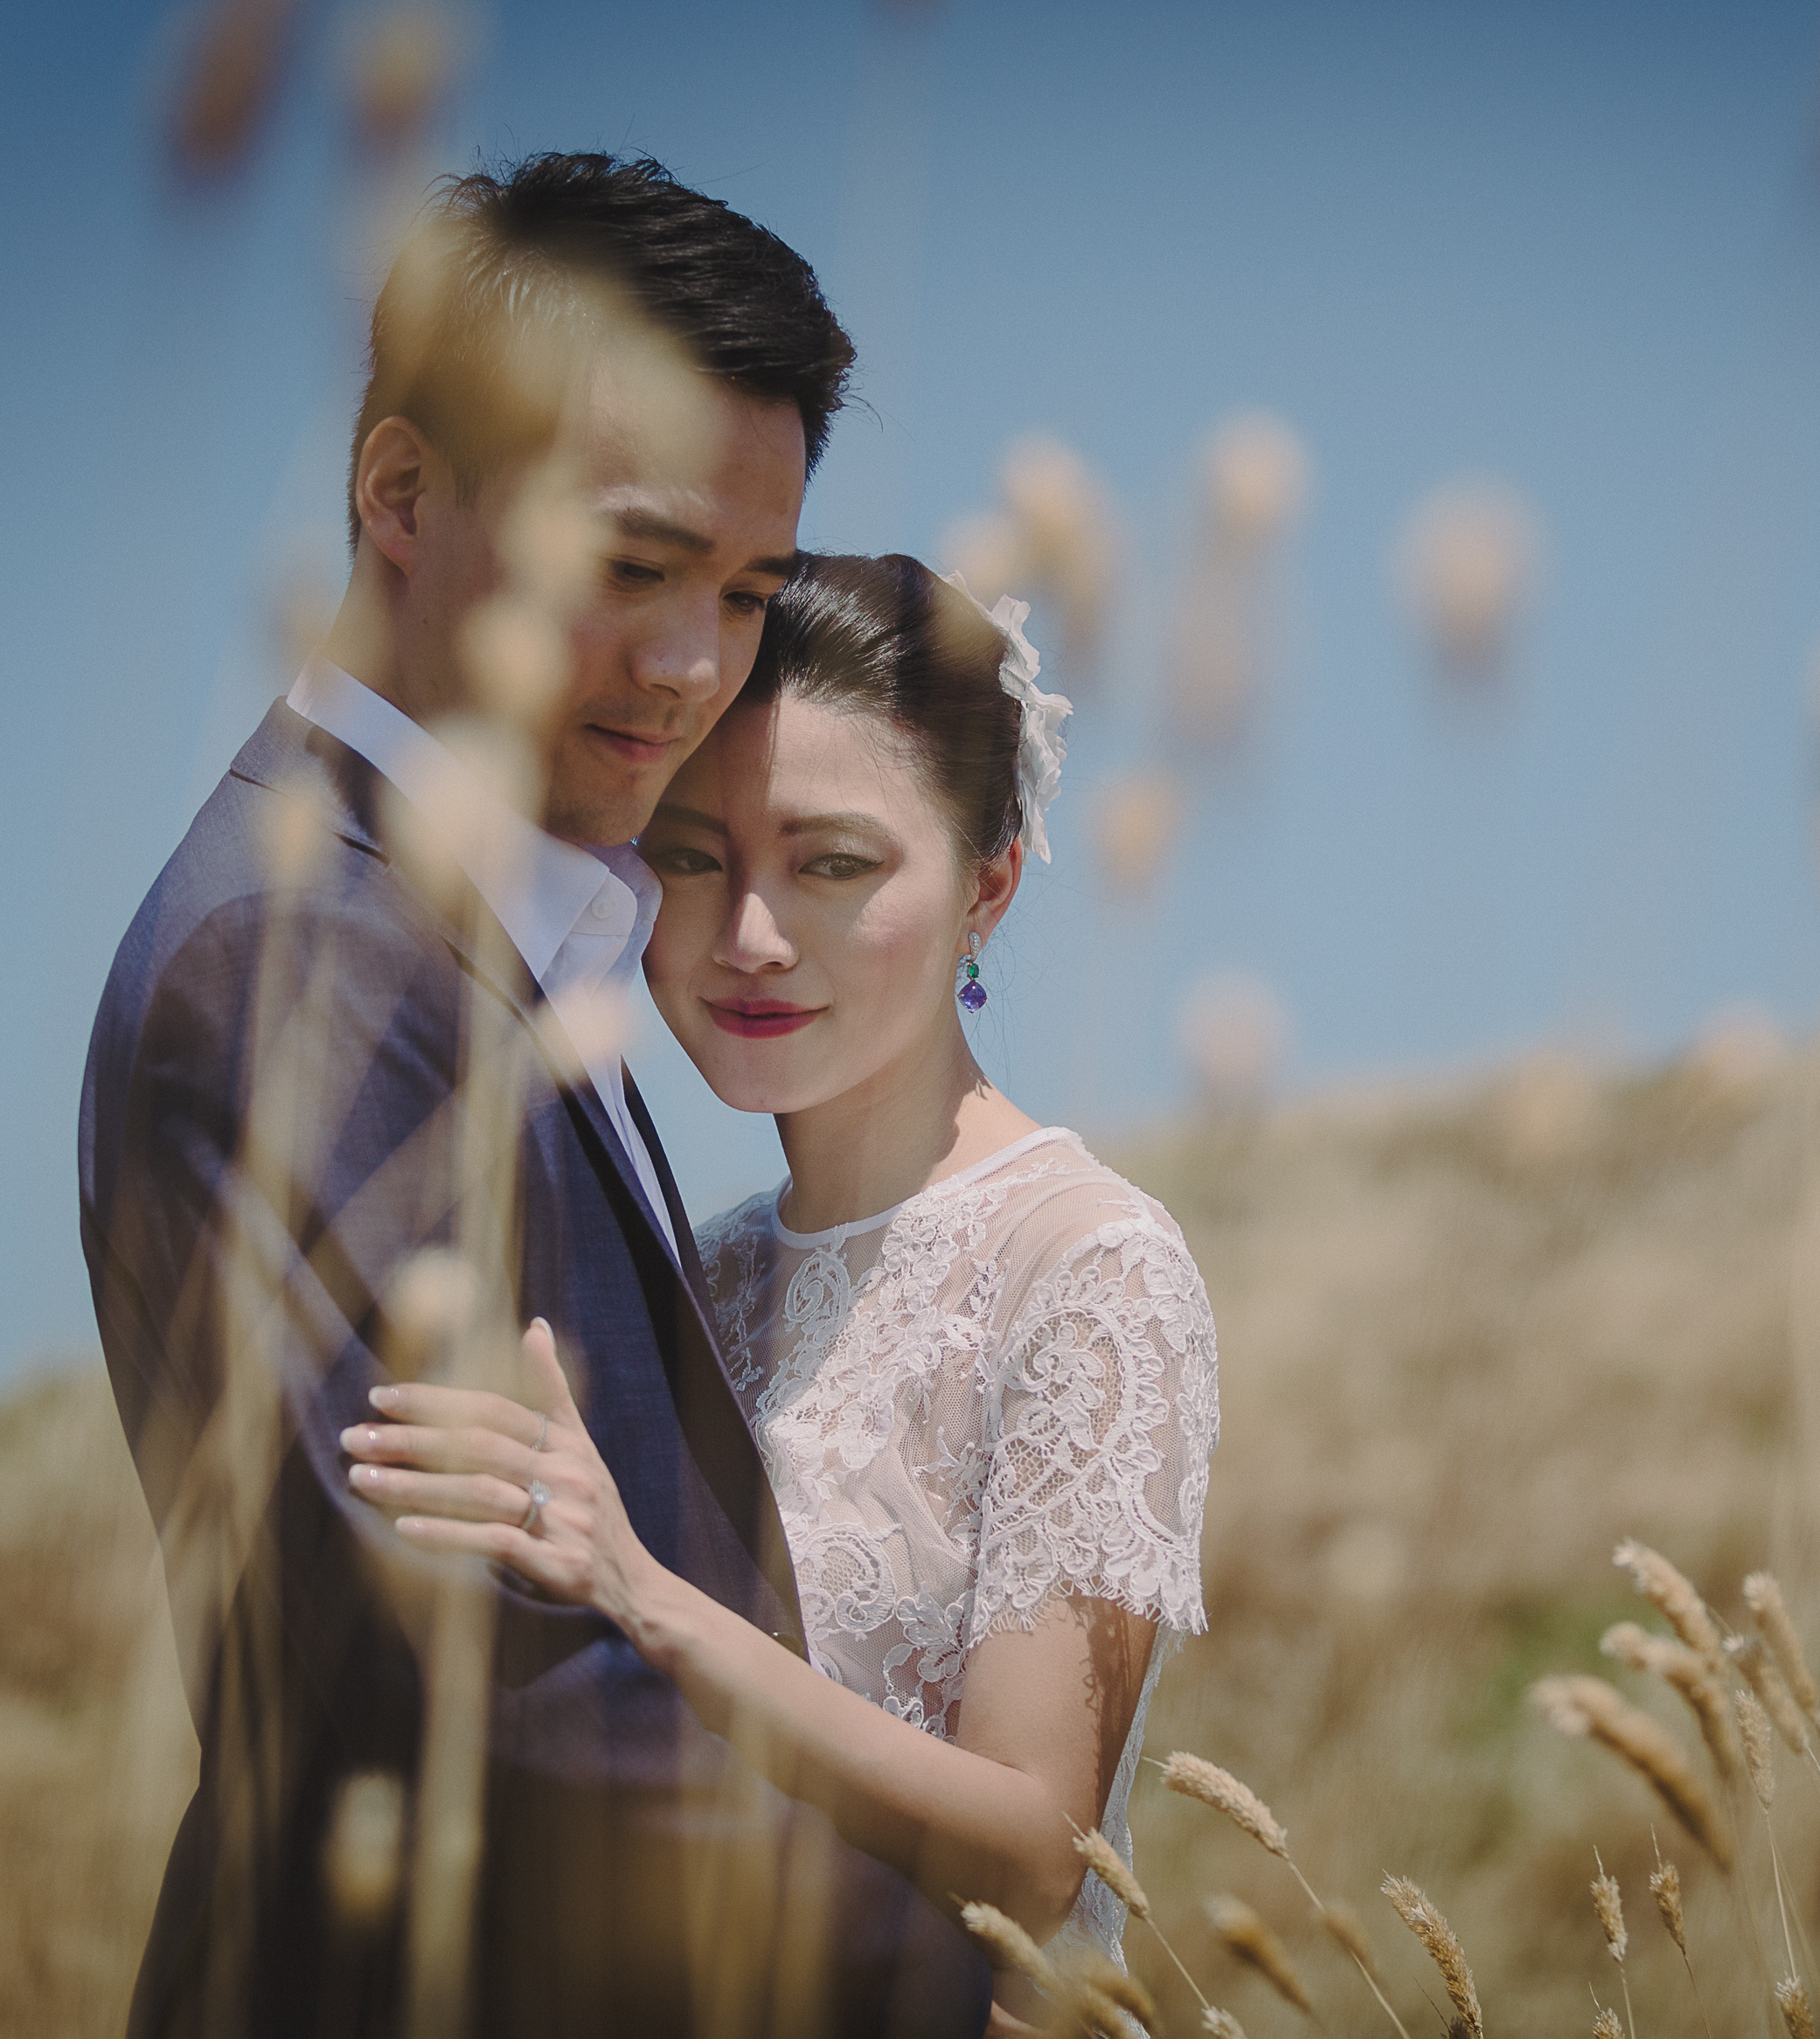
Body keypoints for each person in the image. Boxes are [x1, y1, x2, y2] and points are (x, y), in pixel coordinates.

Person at [81, 156, 994, 2037]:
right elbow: (491, 1691)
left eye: (745, 593)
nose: (687, 670)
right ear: (400, 494)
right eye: (631, 565)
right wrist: (965, 2000)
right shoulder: (300, 962)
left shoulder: (484, 939)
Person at [340, 556, 1219, 2024]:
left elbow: (1040, 1847)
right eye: (692, 856)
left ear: (987, 882)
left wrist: (653, 1601)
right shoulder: (710, 1267)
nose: (750, 934)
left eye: (832, 863)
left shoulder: (1089, 1267)